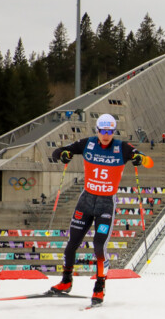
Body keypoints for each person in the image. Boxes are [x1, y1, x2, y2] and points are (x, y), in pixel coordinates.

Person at [48, 113, 153, 306]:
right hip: (86, 200)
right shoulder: (87, 144)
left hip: (106, 203)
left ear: (113, 131)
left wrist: (140, 158)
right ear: (97, 130)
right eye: (103, 131)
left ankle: (99, 287)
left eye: (110, 131)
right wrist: (63, 154)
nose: (106, 134)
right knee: (72, 243)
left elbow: (148, 161)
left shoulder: (121, 147)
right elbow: (58, 152)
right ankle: (66, 281)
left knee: (98, 247)